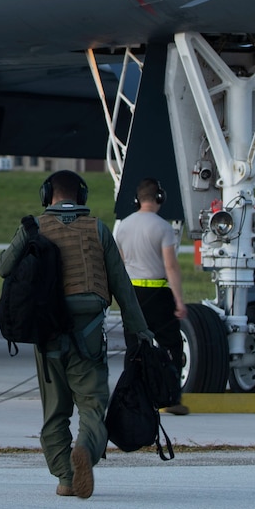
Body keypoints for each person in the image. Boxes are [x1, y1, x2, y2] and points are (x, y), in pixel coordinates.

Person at [0, 168, 155, 498]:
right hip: (90, 331)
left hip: (47, 331)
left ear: (46, 196)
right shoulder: (98, 229)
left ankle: (65, 478)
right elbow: (122, 287)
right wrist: (139, 332)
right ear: (80, 197)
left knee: (54, 411)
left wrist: (25, 235)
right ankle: (85, 448)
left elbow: (3, 267)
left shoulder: (33, 227)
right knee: (93, 406)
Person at [113, 177, 191, 415]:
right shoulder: (162, 227)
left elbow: (118, 264)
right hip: (158, 293)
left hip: (133, 294)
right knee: (171, 345)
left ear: (138, 200)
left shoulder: (123, 226)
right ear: (159, 198)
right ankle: (171, 397)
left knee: (134, 348)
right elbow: (171, 266)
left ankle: (131, 398)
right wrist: (178, 299)